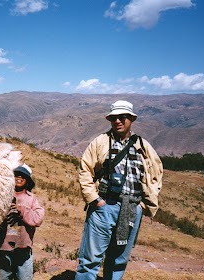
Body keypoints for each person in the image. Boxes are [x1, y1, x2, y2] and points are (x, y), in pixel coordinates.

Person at [75, 100, 163, 280]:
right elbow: (85, 171)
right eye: (114, 118)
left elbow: (156, 174)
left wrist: (143, 206)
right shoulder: (100, 142)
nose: (118, 121)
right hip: (104, 206)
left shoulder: (143, 146)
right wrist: (94, 200)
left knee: (119, 259)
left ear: (131, 119)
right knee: (90, 259)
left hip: (132, 209)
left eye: (123, 117)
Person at [0, 164, 45, 280]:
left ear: (27, 180)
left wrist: (21, 211)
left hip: (23, 248)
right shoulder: (1, 196)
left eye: (23, 175)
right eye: (16, 175)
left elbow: (38, 218)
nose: (19, 177)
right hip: (4, 248)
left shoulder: (31, 199)